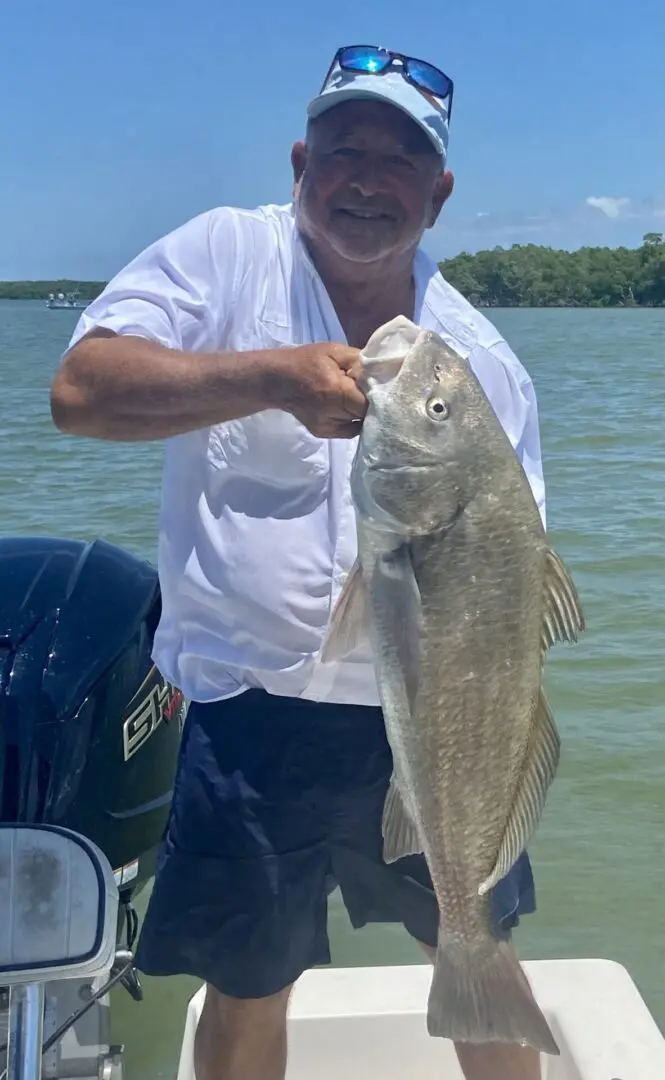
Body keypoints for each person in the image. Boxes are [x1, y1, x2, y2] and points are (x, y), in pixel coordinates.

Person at [51, 44, 547, 1080]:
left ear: (439, 192)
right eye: (343, 148)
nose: (366, 176)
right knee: (244, 987)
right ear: (297, 161)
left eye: (399, 159)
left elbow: (515, 583)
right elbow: (82, 392)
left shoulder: (478, 361)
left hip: (433, 728)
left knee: (479, 954)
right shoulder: (222, 258)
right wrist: (267, 379)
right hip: (247, 716)